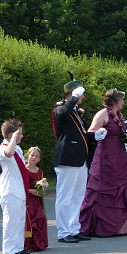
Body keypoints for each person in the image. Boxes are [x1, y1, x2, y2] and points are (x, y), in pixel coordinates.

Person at [79, 89, 127, 236]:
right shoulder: (102, 114)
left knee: (126, 181)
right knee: (103, 187)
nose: (123, 102)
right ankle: (102, 225)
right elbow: (90, 132)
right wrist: (99, 133)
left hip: (120, 155)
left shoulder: (119, 115)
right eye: (122, 100)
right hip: (106, 157)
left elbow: (122, 134)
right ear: (115, 101)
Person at [52, 74, 92, 244]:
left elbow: (81, 133)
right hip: (67, 159)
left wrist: (95, 135)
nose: (83, 97)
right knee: (65, 197)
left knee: (77, 196)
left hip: (80, 159)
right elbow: (63, 113)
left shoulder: (75, 111)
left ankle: (73, 228)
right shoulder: (59, 108)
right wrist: (74, 97)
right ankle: (63, 232)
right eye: (80, 93)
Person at [0, 119, 27, 254]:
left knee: (20, 220)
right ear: (11, 135)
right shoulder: (3, 148)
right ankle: (9, 250)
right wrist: (13, 138)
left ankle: (18, 247)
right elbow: (9, 153)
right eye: (19, 134)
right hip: (10, 190)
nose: (22, 136)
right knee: (11, 220)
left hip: (19, 188)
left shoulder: (18, 148)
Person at [24, 146, 49, 252]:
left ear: (39, 159)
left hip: (37, 198)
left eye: (36, 156)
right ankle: (29, 243)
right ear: (27, 156)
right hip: (28, 197)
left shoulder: (40, 171)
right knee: (30, 219)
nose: (33, 158)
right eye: (32, 155)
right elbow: (21, 185)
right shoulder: (24, 170)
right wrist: (31, 191)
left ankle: (39, 242)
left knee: (40, 217)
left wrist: (42, 188)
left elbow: (42, 183)